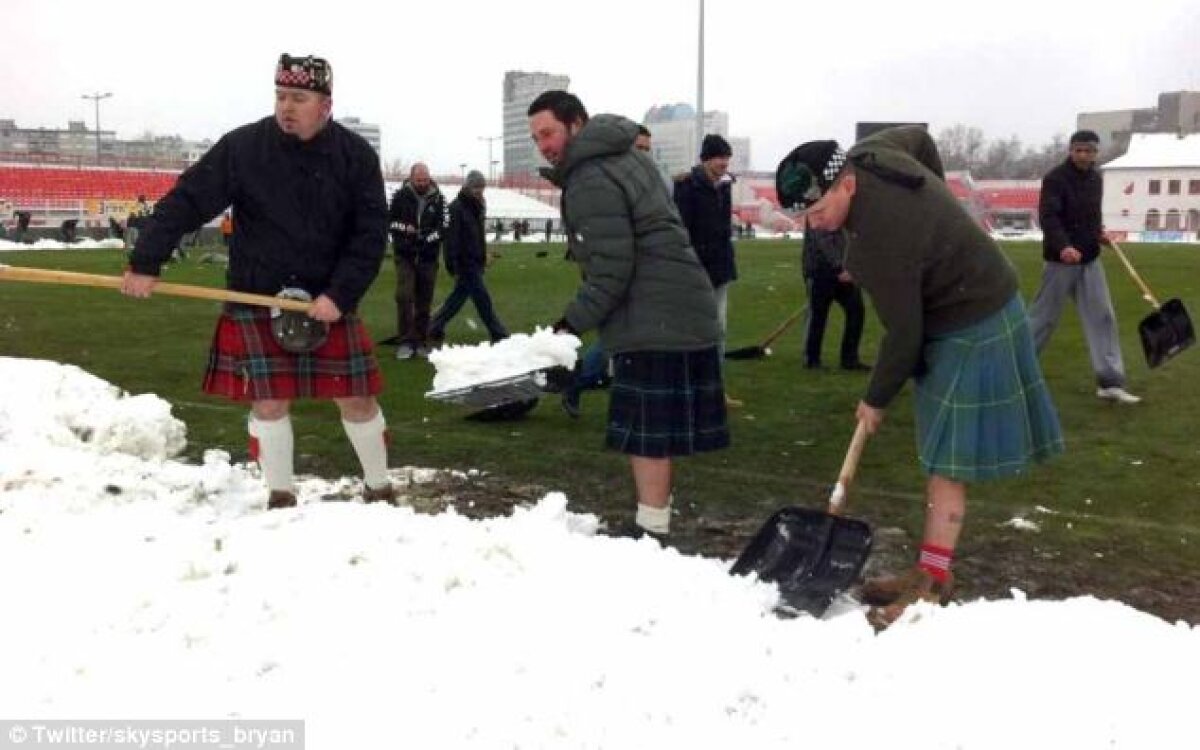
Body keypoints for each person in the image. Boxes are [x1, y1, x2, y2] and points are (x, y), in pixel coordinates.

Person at [777, 126, 1064, 629]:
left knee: (947, 462)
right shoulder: (872, 152)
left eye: (817, 211)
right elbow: (920, 140)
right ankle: (929, 570)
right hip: (955, 305)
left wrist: (875, 399)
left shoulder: (879, 243)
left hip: (975, 318)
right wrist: (937, 204)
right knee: (938, 456)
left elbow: (904, 336)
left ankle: (931, 586)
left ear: (847, 183)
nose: (812, 225)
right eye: (802, 217)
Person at [120, 53, 394, 510]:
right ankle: (280, 495)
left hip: (327, 299)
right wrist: (146, 260)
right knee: (268, 402)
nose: (287, 106)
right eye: (281, 96)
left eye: (299, 98)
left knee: (357, 399)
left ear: (325, 105)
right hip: (257, 293)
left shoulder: (355, 156)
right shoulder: (243, 148)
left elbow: (369, 233)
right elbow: (188, 200)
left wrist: (340, 294)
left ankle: (380, 487)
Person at [529, 90, 729, 539]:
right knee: (654, 432)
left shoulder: (589, 177)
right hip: (678, 303)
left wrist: (566, 327)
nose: (543, 145)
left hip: (655, 313)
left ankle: (651, 530)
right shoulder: (628, 157)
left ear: (576, 124)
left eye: (548, 133)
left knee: (647, 432)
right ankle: (654, 521)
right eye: (536, 137)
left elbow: (611, 269)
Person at [1028, 130, 1141, 405]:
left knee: (1103, 316)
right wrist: (1063, 246)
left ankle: (1110, 382)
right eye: (1078, 150)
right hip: (1061, 261)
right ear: (1071, 151)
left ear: (1095, 153)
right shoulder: (1055, 178)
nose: (1082, 155)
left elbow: (1091, 216)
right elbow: (1049, 217)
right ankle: (1011, 372)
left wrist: (1098, 234)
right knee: (1042, 320)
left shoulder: (1095, 179)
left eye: (1088, 150)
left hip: (1089, 259)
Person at [560, 124, 655, 418]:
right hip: (617, 274)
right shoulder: (608, 181)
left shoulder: (646, 181)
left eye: (648, 150)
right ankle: (578, 380)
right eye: (639, 148)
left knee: (627, 337)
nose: (644, 155)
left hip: (642, 272)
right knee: (620, 337)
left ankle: (589, 382)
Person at [673, 133, 742, 407]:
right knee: (692, 332)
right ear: (705, 159)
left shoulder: (724, 187)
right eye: (719, 158)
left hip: (721, 270)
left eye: (727, 158)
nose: (724, 163)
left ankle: (715, 389)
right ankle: (688, 388)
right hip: (695, 273)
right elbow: (682, 232)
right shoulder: (687, 187)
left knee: (718, 331)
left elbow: (723, 231)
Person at [427, 170, 508, 344]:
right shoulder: (456, 208)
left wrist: (483, 256)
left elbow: (479, 235)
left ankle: (434, 327)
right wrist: (452, 265)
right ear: (467, 187)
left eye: (481, 187)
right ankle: (498, 333)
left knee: (457, 298)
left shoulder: (477, 206)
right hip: (464, 263)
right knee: (482, 299)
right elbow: (451, 240)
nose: (479, 191)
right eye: (476, 187)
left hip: (475, 261)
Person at [388, 162, 445, 359]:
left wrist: (428, 238)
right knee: (404, 295)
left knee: (424, 299)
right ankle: (405, 340)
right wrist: (407, 231)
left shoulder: (439, 199)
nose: (422, 183)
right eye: (419, 180)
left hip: (428, 257)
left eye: (425, 179)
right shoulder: (400, 196)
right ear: (411, 178)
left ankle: (420, 340)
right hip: (405, 255)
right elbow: (391, 222)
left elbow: (444, 226)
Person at [801, 218, 869, 371]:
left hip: (841, 271)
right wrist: (839, 268)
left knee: (856, 310)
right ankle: (812, 359)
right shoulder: (818, 211)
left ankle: (849, 359)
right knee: (818, 316)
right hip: (820, 270)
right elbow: (823, 241)